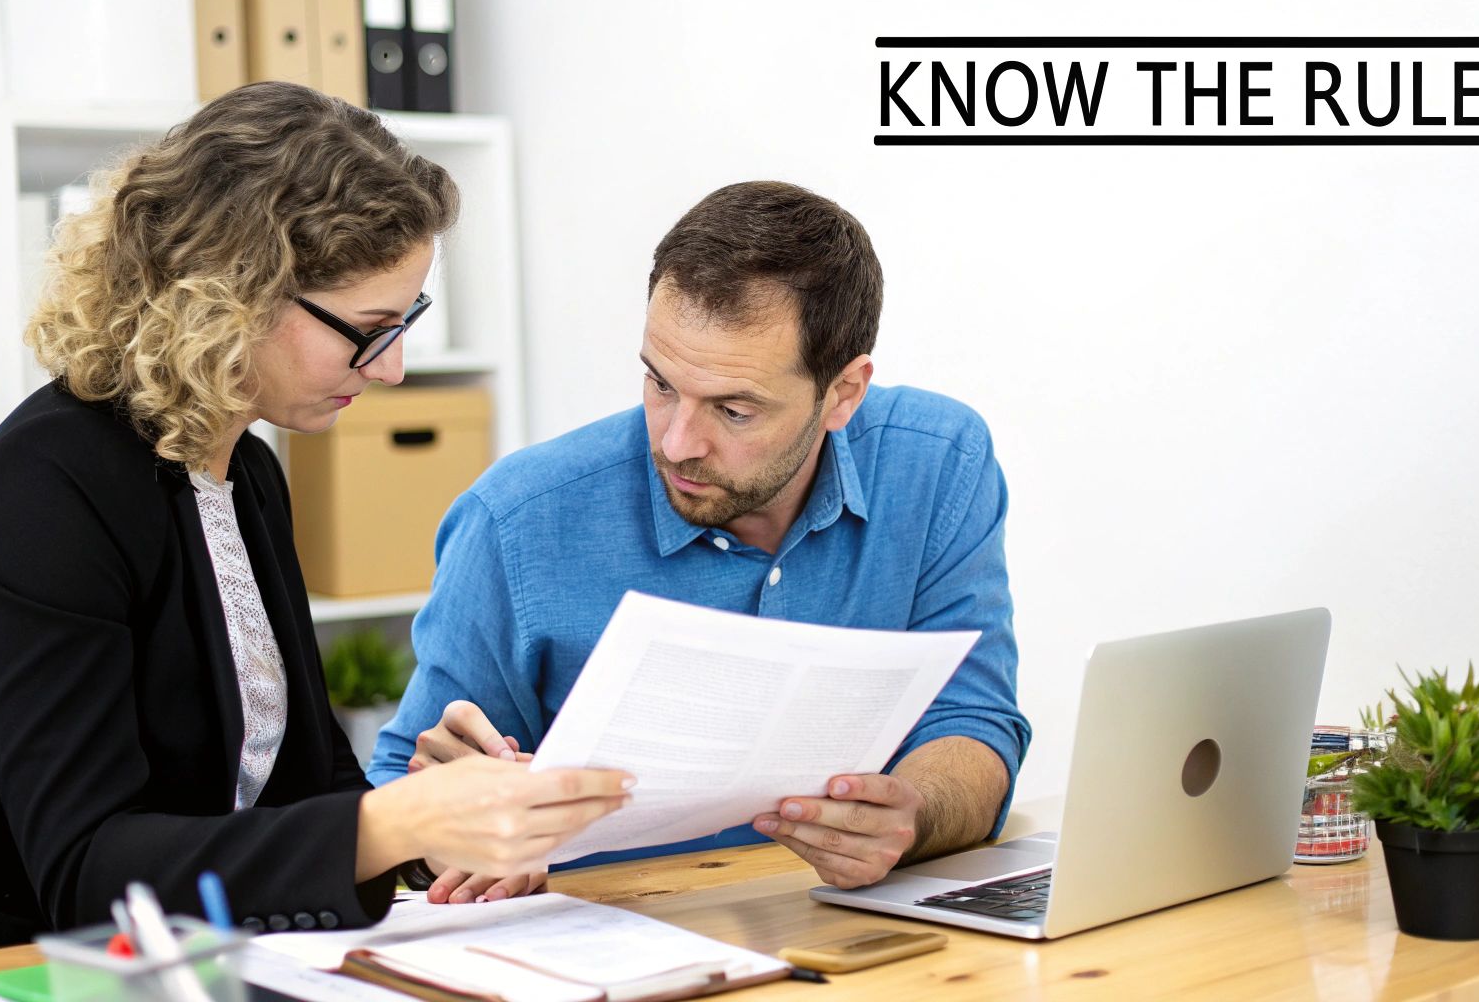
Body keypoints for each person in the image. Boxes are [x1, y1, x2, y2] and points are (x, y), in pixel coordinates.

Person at [0, 81, 630, 967]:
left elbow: (298, 789)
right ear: (230, 297)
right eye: (369, 329)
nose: (394, 368)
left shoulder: (242, 468)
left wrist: (430, 829)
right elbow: (86, 872)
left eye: (406, 323)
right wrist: (385, 821)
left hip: (181, 966)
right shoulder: (42, 494)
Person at [368, 181, 1027, 906]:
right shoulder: (517, 520)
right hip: (608, 945)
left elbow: (972, 720)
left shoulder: (937, 462)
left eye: (734, 410)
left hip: (852, 932)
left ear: (844, 393)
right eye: (659, 384)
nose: (678, 442)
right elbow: (398, 804)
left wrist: (913, 815)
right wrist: (449, 832)